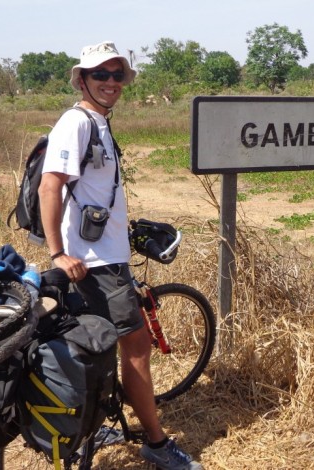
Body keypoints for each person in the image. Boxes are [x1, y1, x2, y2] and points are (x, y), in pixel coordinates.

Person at [38, 41, 203, 470]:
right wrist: (58, 253)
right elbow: (49, 186)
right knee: (136, 347)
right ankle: (156, 441)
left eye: (116, 75)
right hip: (92, 263)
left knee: (101, 348)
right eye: (101, 75)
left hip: (105, 255)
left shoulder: (100, 122)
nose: (111, 83)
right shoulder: (75, 123)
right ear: (82, 79)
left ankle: (94, 424)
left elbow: (91, 191)